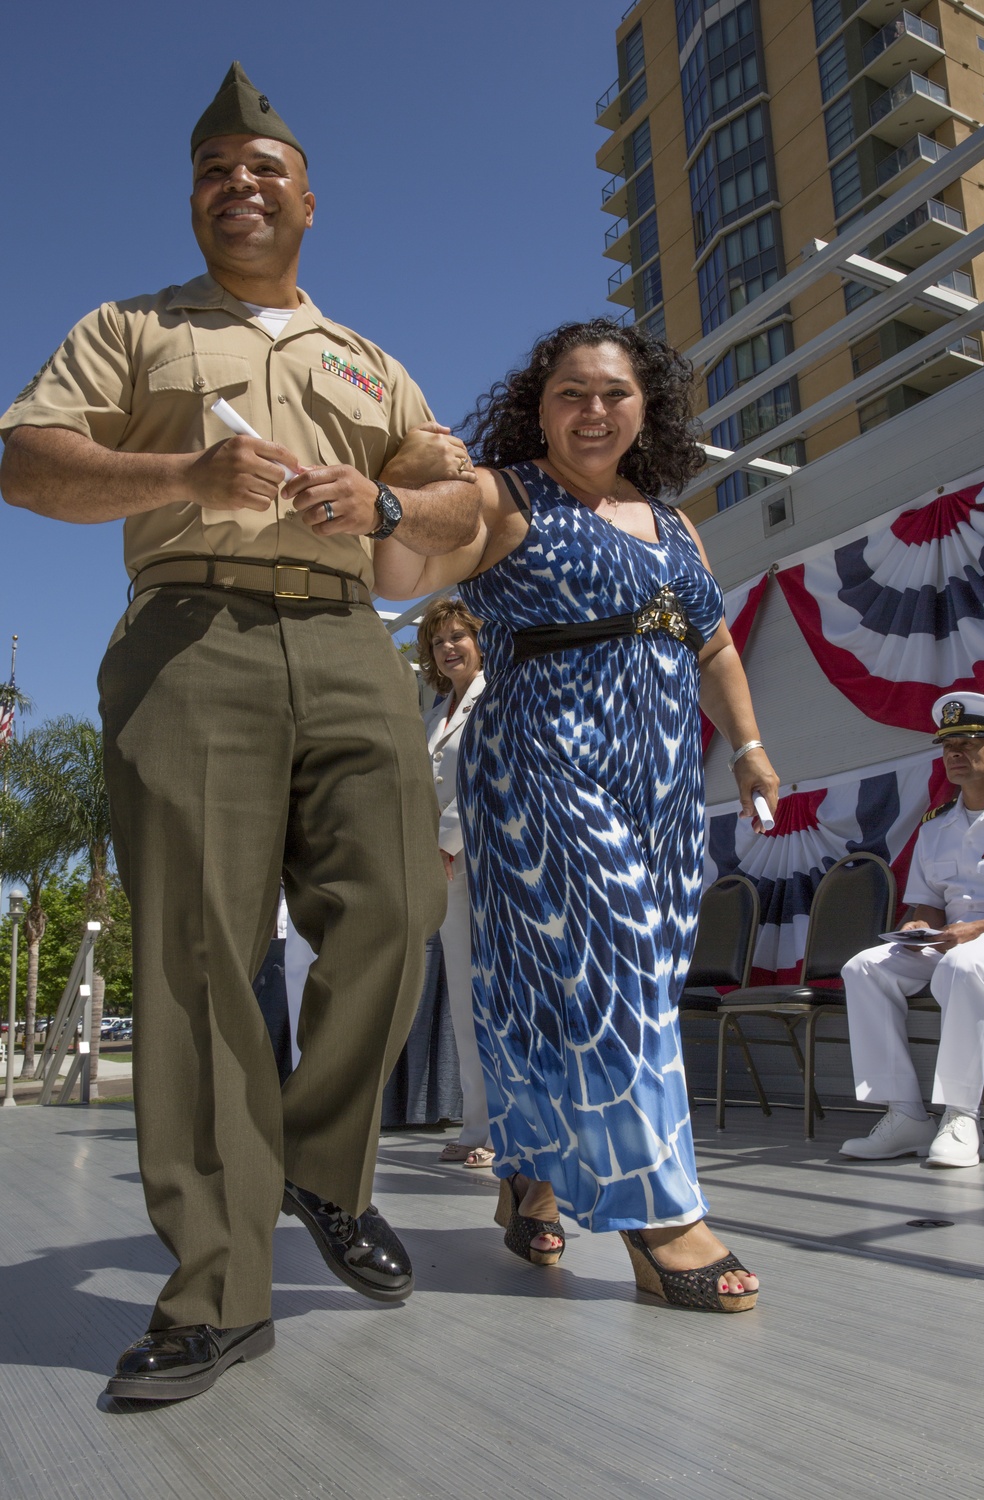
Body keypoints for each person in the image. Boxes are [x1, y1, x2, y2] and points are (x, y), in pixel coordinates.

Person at [0, 62, 481, 1401]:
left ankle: (320, 1169)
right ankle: (216, 1290)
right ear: (197, 202)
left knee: (396, 903)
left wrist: (386, 510)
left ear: (308, 203)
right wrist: (185, 475)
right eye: (215, 171)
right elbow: (26, 461)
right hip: (187, 636)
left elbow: (455, 505)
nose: (239, 185)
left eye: (263, 169)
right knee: (202, 955)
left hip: (346, 640)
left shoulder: (368, 362)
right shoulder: (131, 328)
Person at [376, 318, 780, 1312]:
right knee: (616, 978)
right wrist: (392, 496)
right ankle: (662, 1217)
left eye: (614, 393)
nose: (593, 411)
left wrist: (754, 748)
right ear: (538, 406)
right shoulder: (504, 494)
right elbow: (402, 567)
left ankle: (527, 1176)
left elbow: (714, 646)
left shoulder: (677, 525)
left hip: (663, 783)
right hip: (545, 765)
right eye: (571, 393)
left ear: (646, 408)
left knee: (568, 986)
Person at [840, 692, 984, 1168]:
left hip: (980, 944)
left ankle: (961, 1115)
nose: (955, 754)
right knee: (864, 967)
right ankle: (906, 1115)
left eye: (970, 742)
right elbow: (929, 903)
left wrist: (978, 929)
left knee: (964, 963)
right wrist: (918, 925)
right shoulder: (936, 827)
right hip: (954, 941)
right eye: (948, 745)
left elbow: (969, 936)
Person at [416, 597, 493, 1167]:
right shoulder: (432, 713)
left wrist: (447, 839)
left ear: (480, 639)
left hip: (490, 865)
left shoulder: (498, 695)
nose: (448, 647)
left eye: (458, 636)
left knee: (501, 998)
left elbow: (489, 775)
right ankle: (477, 1126)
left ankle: (513, 1129)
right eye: (439, 640)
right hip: (445, 876)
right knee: (465, 1001)